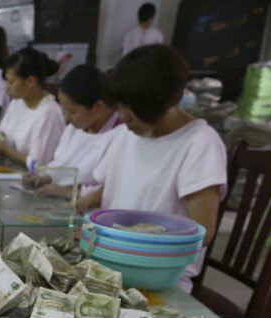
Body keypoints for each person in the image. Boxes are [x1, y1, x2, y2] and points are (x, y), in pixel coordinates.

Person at [80, 45, 227, 292]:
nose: (124, 116)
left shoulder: (200, 144)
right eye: (120, 106)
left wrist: (137, 243)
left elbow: (203, 232)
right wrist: (84, 202)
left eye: (134, 107)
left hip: (159, 277)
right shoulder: (126, 135)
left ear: (166, 101)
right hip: (110, 264)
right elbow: (115, 185)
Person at [23, 64, 125, 198]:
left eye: (72, 112)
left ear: (98, 107)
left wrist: (70, 193)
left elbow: (110, 188)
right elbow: (62, 164)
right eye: (65, 110)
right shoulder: (75, 127)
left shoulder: (121, 135)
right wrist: (45, 178)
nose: (67, 118)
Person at [0, 47, 65, 166]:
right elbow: (3, 135)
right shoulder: (17, 101)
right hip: (7, 169)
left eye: (11, 82)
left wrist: (6, 152)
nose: (6, 87)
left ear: (30, 81)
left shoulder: (49, 112)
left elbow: (38, 164)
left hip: (28, 176)